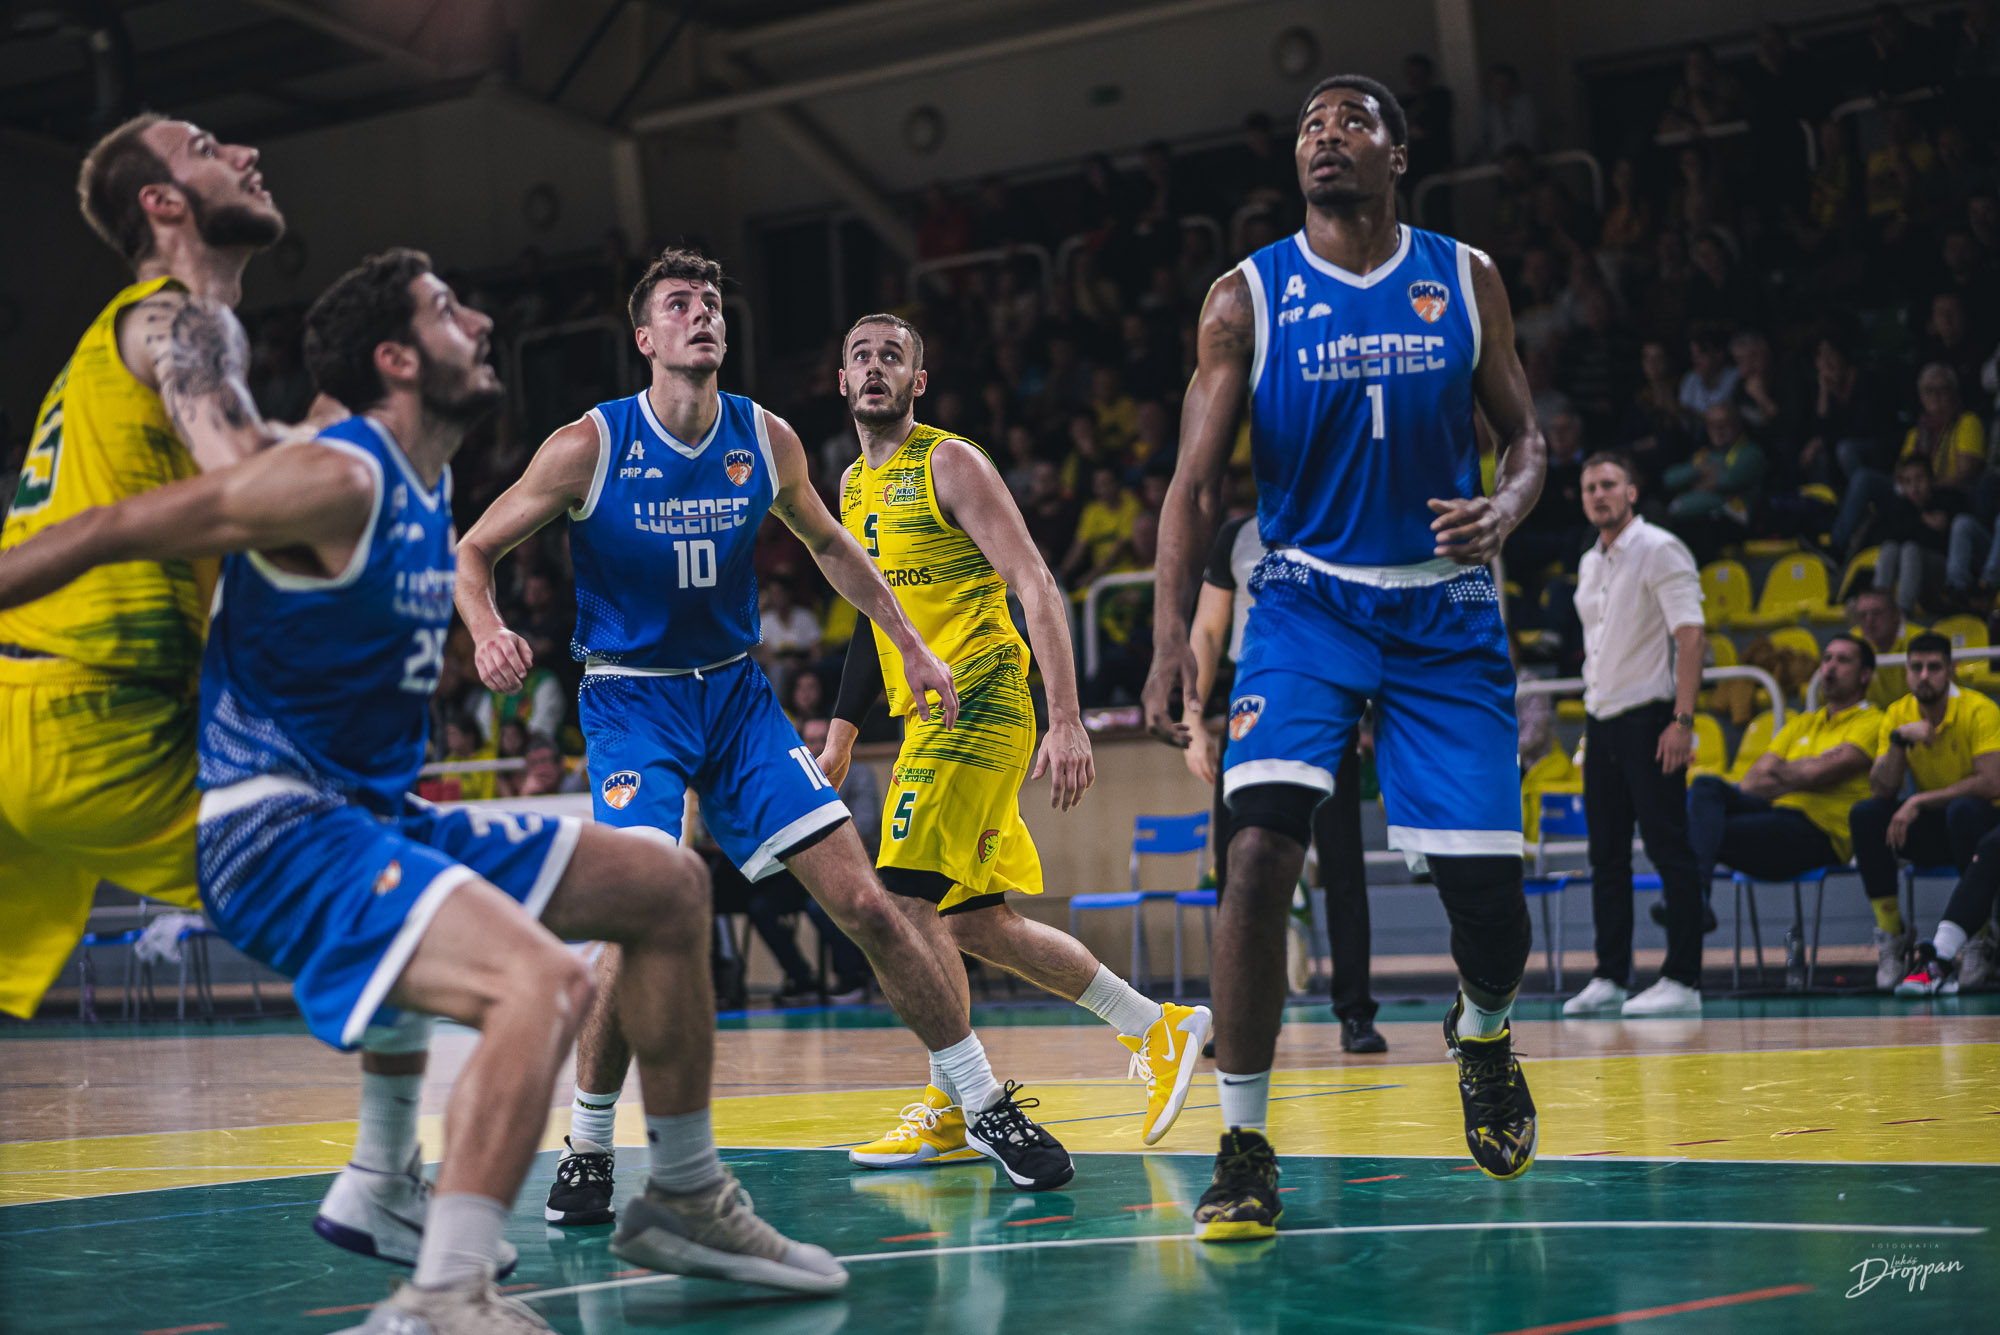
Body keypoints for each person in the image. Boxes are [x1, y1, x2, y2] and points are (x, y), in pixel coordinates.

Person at [0, 249, 846, 1331]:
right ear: (397, 360)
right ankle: (443, 1292)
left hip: (372, 816)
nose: (483, 324)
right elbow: (107, 528)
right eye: (449, 312)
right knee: (542, 985)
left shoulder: (429, 480)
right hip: (277, 826)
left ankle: (681, 1195)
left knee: (667, 887)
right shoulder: (334, 478)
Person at [453, 249, 1076, 1223]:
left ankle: (982, 1100)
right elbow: (475, 549)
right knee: (638, 916)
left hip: (738, 699)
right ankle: (586, 1145)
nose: (701, 314)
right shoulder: (589, 445)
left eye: (711, 302)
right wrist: (487, 628)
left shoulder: (765, 436)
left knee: (868, 903)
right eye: (679, 305)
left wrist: (910, 644)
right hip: (633, 702)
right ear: (645, 338)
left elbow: (831, 544)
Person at [1144, 75, 1549, 1243]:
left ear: (1396, 153)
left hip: (1442, 610)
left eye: (1350, 121)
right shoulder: (1244, 297)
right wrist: (1168, 637)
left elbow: (1526, 439)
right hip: (1303, 602)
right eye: (1309, 126)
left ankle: (1481, 1034)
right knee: (1257, 848)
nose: (1324, 137)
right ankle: (1242, 1145)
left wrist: (1505, 508)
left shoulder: (1464, 278)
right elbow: (1193, 485)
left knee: (1488, 904)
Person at [817, 313, 1211, 1165]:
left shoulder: (950, 462)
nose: (876, 367)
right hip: (926, 716)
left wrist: (1066, 716)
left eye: (893, 356)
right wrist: (842, 735)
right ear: (841, 381)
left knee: (901, 904)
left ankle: (959, 1101)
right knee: (973, 921)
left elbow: (1034, 579)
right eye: (861, 356)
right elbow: (871, 617)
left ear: (918, 382)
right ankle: (1155, 1025)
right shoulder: (849, 485)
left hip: (982, 695)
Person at [0, 113, 310, 1020]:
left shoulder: (109, 346)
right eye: (208, 149)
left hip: (33, 704)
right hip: (93, 713)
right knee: (379, 888)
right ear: (163, 203)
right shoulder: (179, 318)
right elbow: (250, 481)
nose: (249, 154)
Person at [1183, 511, 1384, 1051]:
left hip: (1326, 705)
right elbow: (1207, 630)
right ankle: (1240, 1014)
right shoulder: (1236, 534)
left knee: (1342, 867)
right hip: (1252, 710)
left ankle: (1356, 1013)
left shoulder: (1339, 519)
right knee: (1235, 871)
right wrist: (1193, 719)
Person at [1562, 454, 1709, 1019]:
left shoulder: (1659, 548)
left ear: (1631, 491)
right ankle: (1610, 975)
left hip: (1652, 718)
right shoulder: (1589, 562)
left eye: (1608, 484)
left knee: (1669, 847)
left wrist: (1683, 721)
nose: (1598, 494)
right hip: (1601, 722)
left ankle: (1683, 977)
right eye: (1589, 487)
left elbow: (1690, 636)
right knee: (1606, 856)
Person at [1686, 636, 1881, 911]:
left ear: (1865, 675)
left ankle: (1691, 900)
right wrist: (1811, 767)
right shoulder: (1802, 723)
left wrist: (1787, 771)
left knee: (1700, 830)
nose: (1830, 667)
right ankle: (1696, 898)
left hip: (1820, 833)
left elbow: (1820, 774)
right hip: (1775, 815)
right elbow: (1752, 782)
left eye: (1843, 660)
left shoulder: (1874, 721)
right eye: (1827, 659)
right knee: (1705, 786)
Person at [1851, 631, 2000, 988]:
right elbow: (1882, 789)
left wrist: (1918, 801)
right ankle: (1892, 935)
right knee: (1867, 815)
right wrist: (1898, 741)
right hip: (1940, 829)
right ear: (1905, 672)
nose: (1924, 676)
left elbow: (1992, 783)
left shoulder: (1979, 709)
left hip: (1983, 828)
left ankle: (1979, 938)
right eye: (1916, 667)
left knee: (1963, 811)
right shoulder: (1897, 714)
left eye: (1934, 667)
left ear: (1951, 670)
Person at [1852, 587, 1919, 710]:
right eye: (1863, 615)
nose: (1869, 620)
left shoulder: (1921, 640)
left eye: (1876, 613)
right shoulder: (1852, 644)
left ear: (1896, 615)